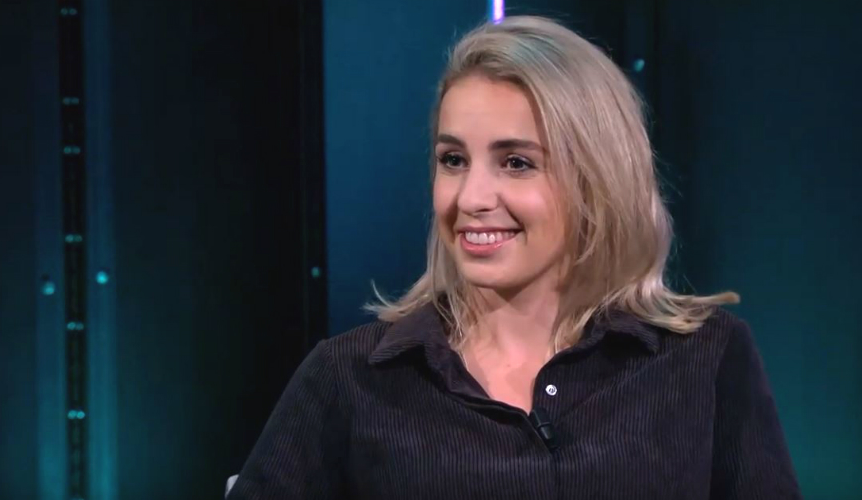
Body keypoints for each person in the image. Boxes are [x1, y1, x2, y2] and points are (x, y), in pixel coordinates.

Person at [227, 15, 801, 500]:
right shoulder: (348, 378)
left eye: (516, 163)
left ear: (596, 180)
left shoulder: (705, 359)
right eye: (453, 160)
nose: (471, 198)